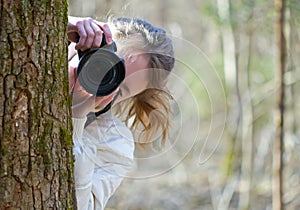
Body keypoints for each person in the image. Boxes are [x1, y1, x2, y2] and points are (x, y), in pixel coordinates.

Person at [68, 15, 175, 209]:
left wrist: (77, 119)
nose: (104, 82)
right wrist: (63, 24)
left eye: (120, 88)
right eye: (108, 63)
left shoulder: (113, 143)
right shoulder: (44, 46)